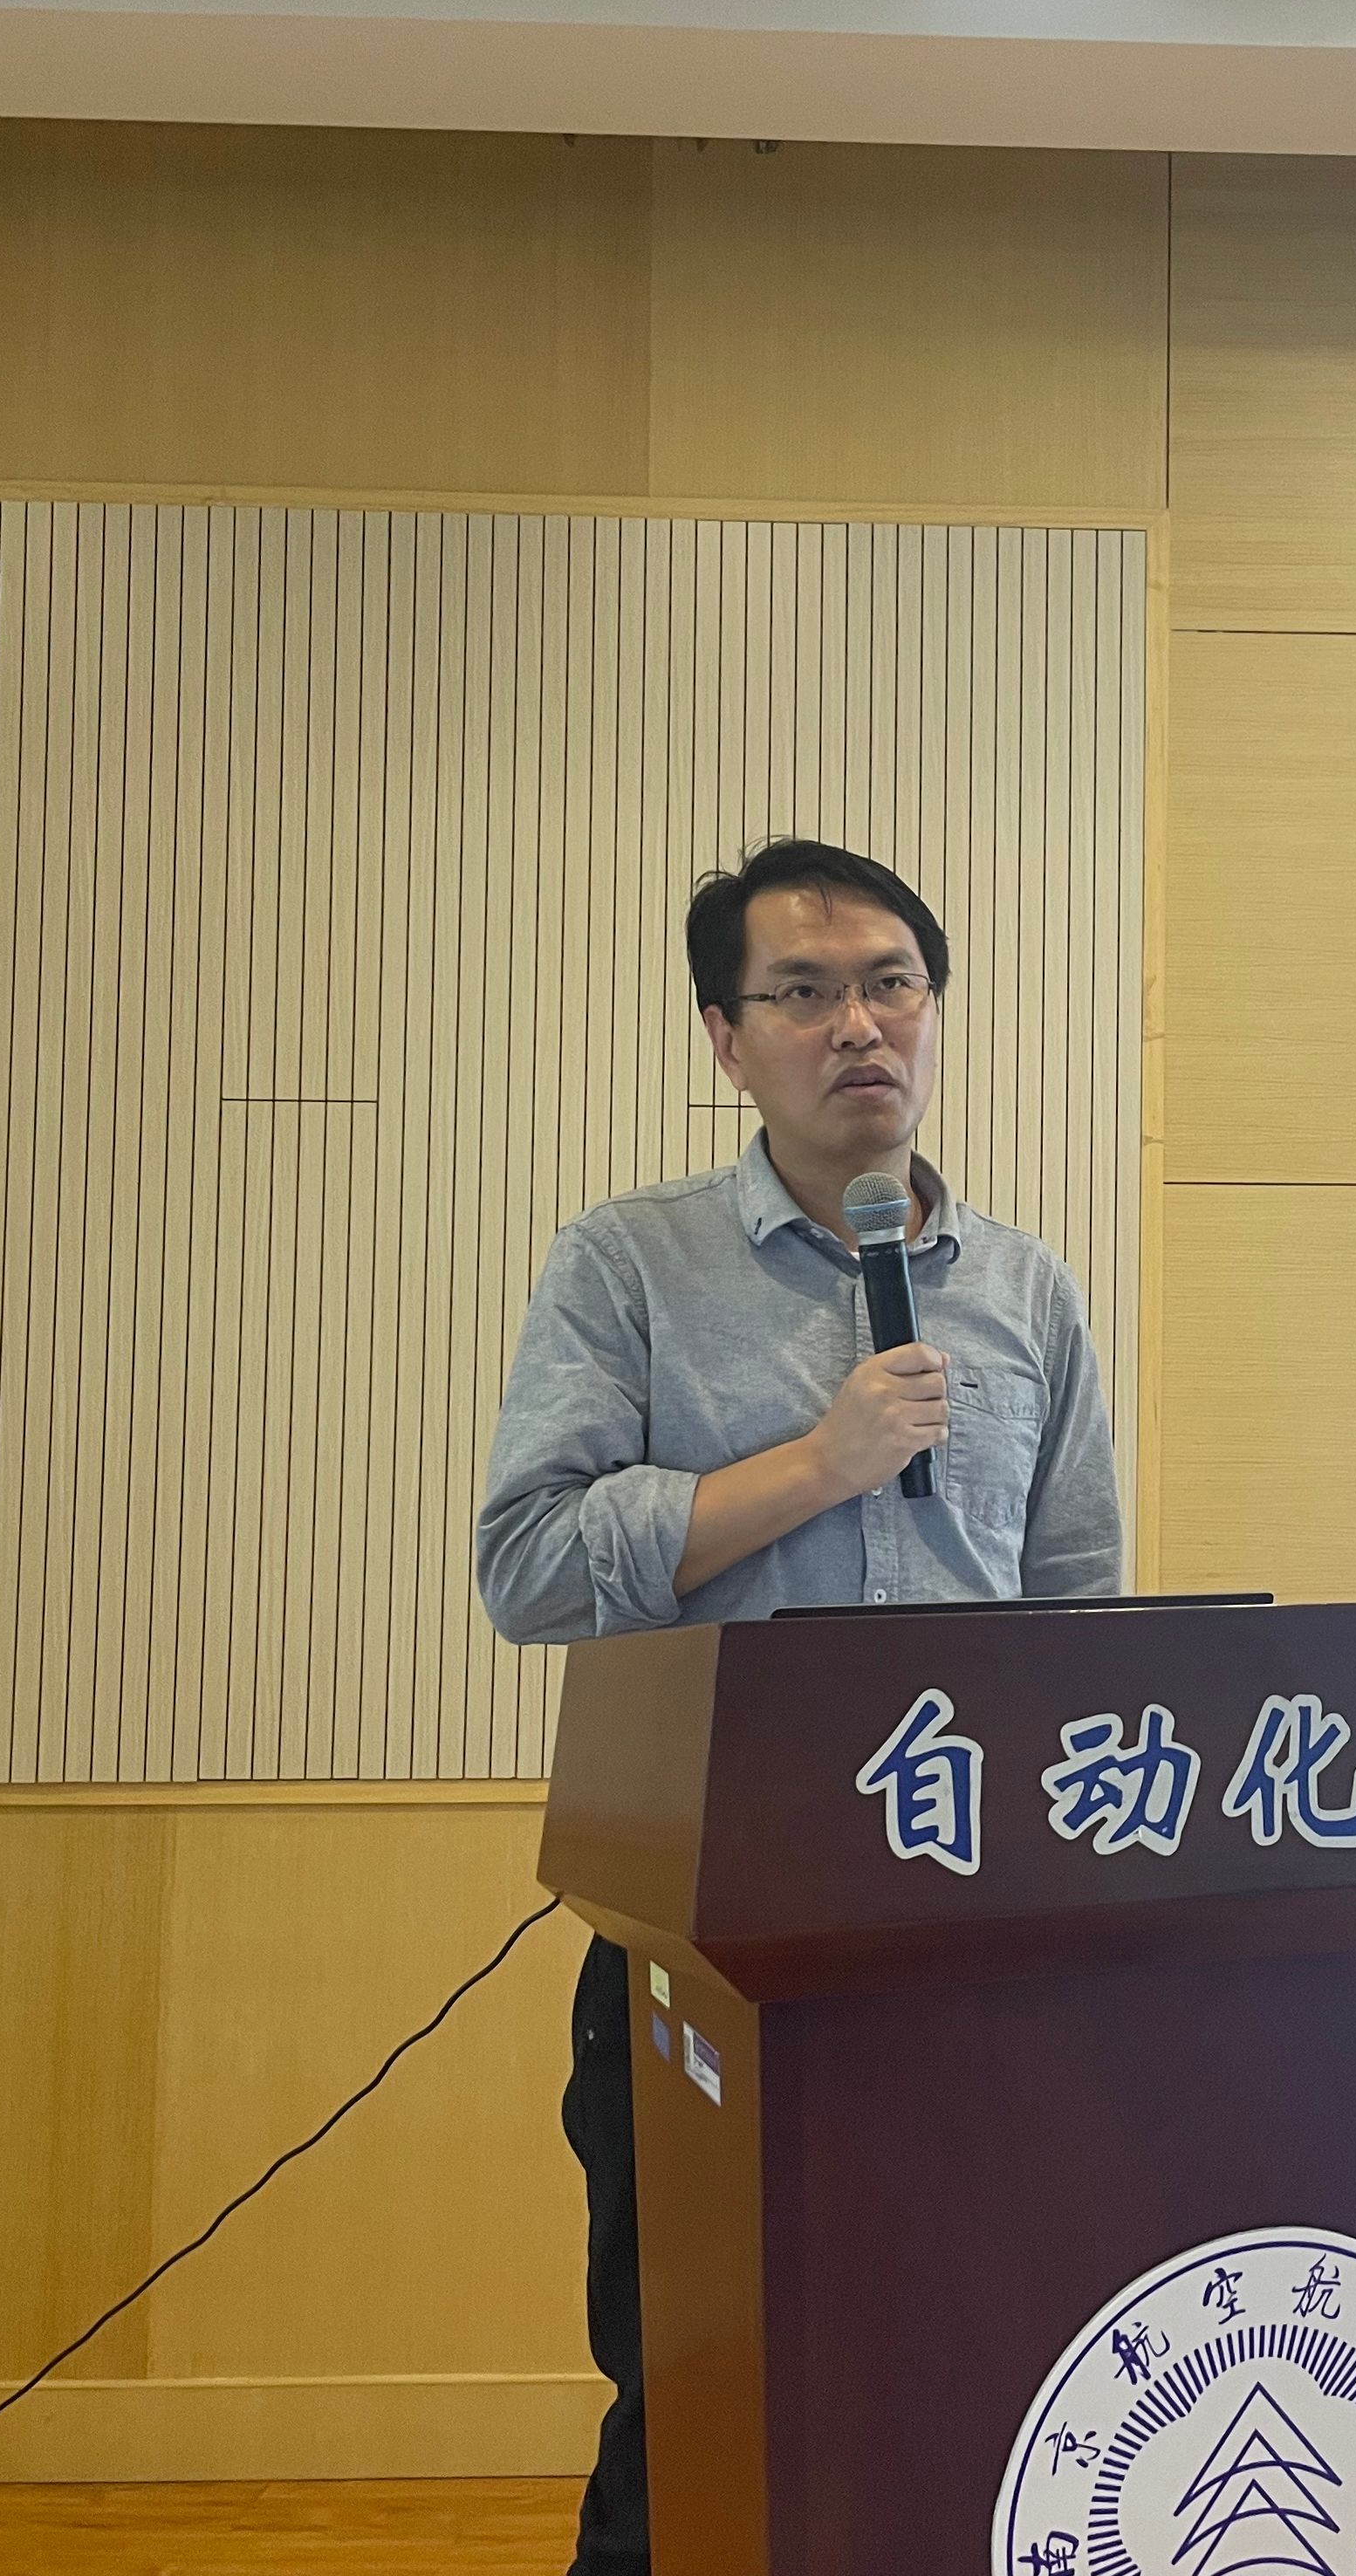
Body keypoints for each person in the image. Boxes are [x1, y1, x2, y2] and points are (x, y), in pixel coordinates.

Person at [474, 836, 1123, 2576]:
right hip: (709, 1939)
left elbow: (1081, 1622)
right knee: (695, 2399)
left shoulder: (1027, 1291)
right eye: (807, 992)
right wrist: (815, 1468)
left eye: (893, 984)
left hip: (968, 1944)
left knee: (969, 2370)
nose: (861, 1026)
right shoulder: (629, 1266)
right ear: (726, 1036)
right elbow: (528, 1566)